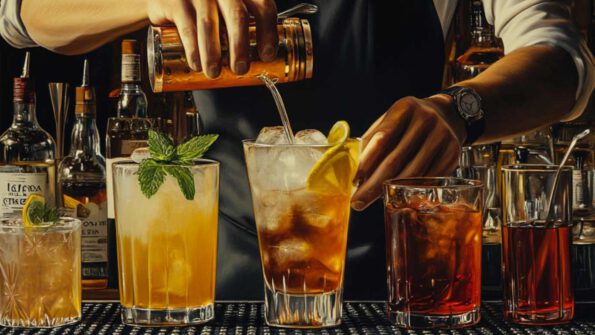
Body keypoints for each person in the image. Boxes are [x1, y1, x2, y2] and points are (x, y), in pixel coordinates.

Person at [2, 0, 593, 299]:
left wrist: (461, 110)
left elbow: (563, 61)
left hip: (406, 282)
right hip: (226, 284)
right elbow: (22, 16)